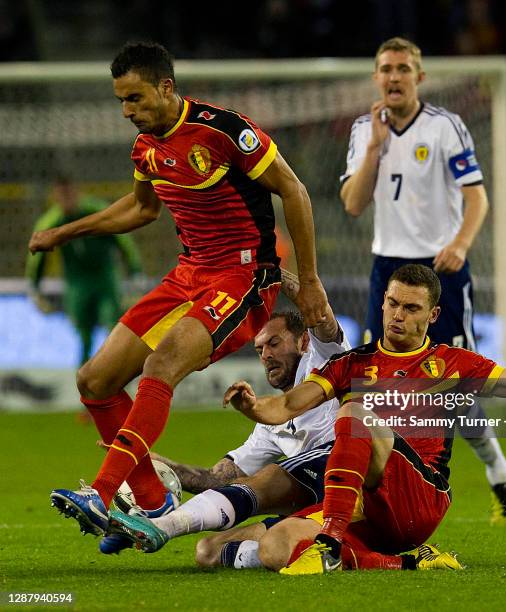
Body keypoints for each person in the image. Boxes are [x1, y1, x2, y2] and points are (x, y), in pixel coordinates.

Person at [29, 41, 328, 538]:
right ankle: (151, 496)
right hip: (188, 273)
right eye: (121, 101)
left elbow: (293, 191)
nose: (127, 111)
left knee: (160, 366)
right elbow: (141, 209)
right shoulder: (145, 148)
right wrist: (66, 231)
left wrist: (310, 279)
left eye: (135, 98)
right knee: (94, 381)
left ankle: (101, 494)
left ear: (166, 87)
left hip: (243, 276)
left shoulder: (225, 130)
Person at [224, 264, 506, 574]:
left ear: (433, 314)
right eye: (393, 303)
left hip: (419, 498)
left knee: (355, 412)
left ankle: (328, 542)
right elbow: (285, 406)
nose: (398, 315)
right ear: (382, 302)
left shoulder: (452, 363)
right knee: (274, 547)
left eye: (411, 308)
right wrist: (251, 407)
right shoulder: (350, 363)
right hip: (364, 507)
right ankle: (405, 562)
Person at [340, 36, 506, 525]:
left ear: (419, 77)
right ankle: (400, 487)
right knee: (387, 389)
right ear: (376, 78)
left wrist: (460, 243)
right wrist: (376, 148)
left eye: (403, 68)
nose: (393, 77)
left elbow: (477, 198)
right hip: (388, 271)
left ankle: (498, 467)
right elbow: (353, 205)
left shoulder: (445, 127)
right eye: (385, 69)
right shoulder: (363, 130)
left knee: (459, 394)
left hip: (443, 268)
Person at [99, 269, 347, 558]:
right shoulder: (268, 426)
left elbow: (319, 313)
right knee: (208, 552)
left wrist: (273, 273)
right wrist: (148, 462)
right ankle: (315, 551)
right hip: (314, 502)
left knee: (265, 479)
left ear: (303, 342)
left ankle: (161, 525)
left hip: (352, 481)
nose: (265, 354)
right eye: (259, 349)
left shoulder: (327, 357)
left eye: (274, 343)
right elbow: (217, 480)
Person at [26, 176, 142, 365]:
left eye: (69, 194)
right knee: (83, 332)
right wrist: (34, 284)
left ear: (76, 192)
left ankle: (116, 371)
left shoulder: (95, 211)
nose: (67, 199)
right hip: (77, 282)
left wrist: (135, 270)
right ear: (55, 197)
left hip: (104, 276)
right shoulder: (51, 222)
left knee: (112, 322)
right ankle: (85, 378)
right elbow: (37, 255)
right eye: (61, 195)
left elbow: (123, 239)